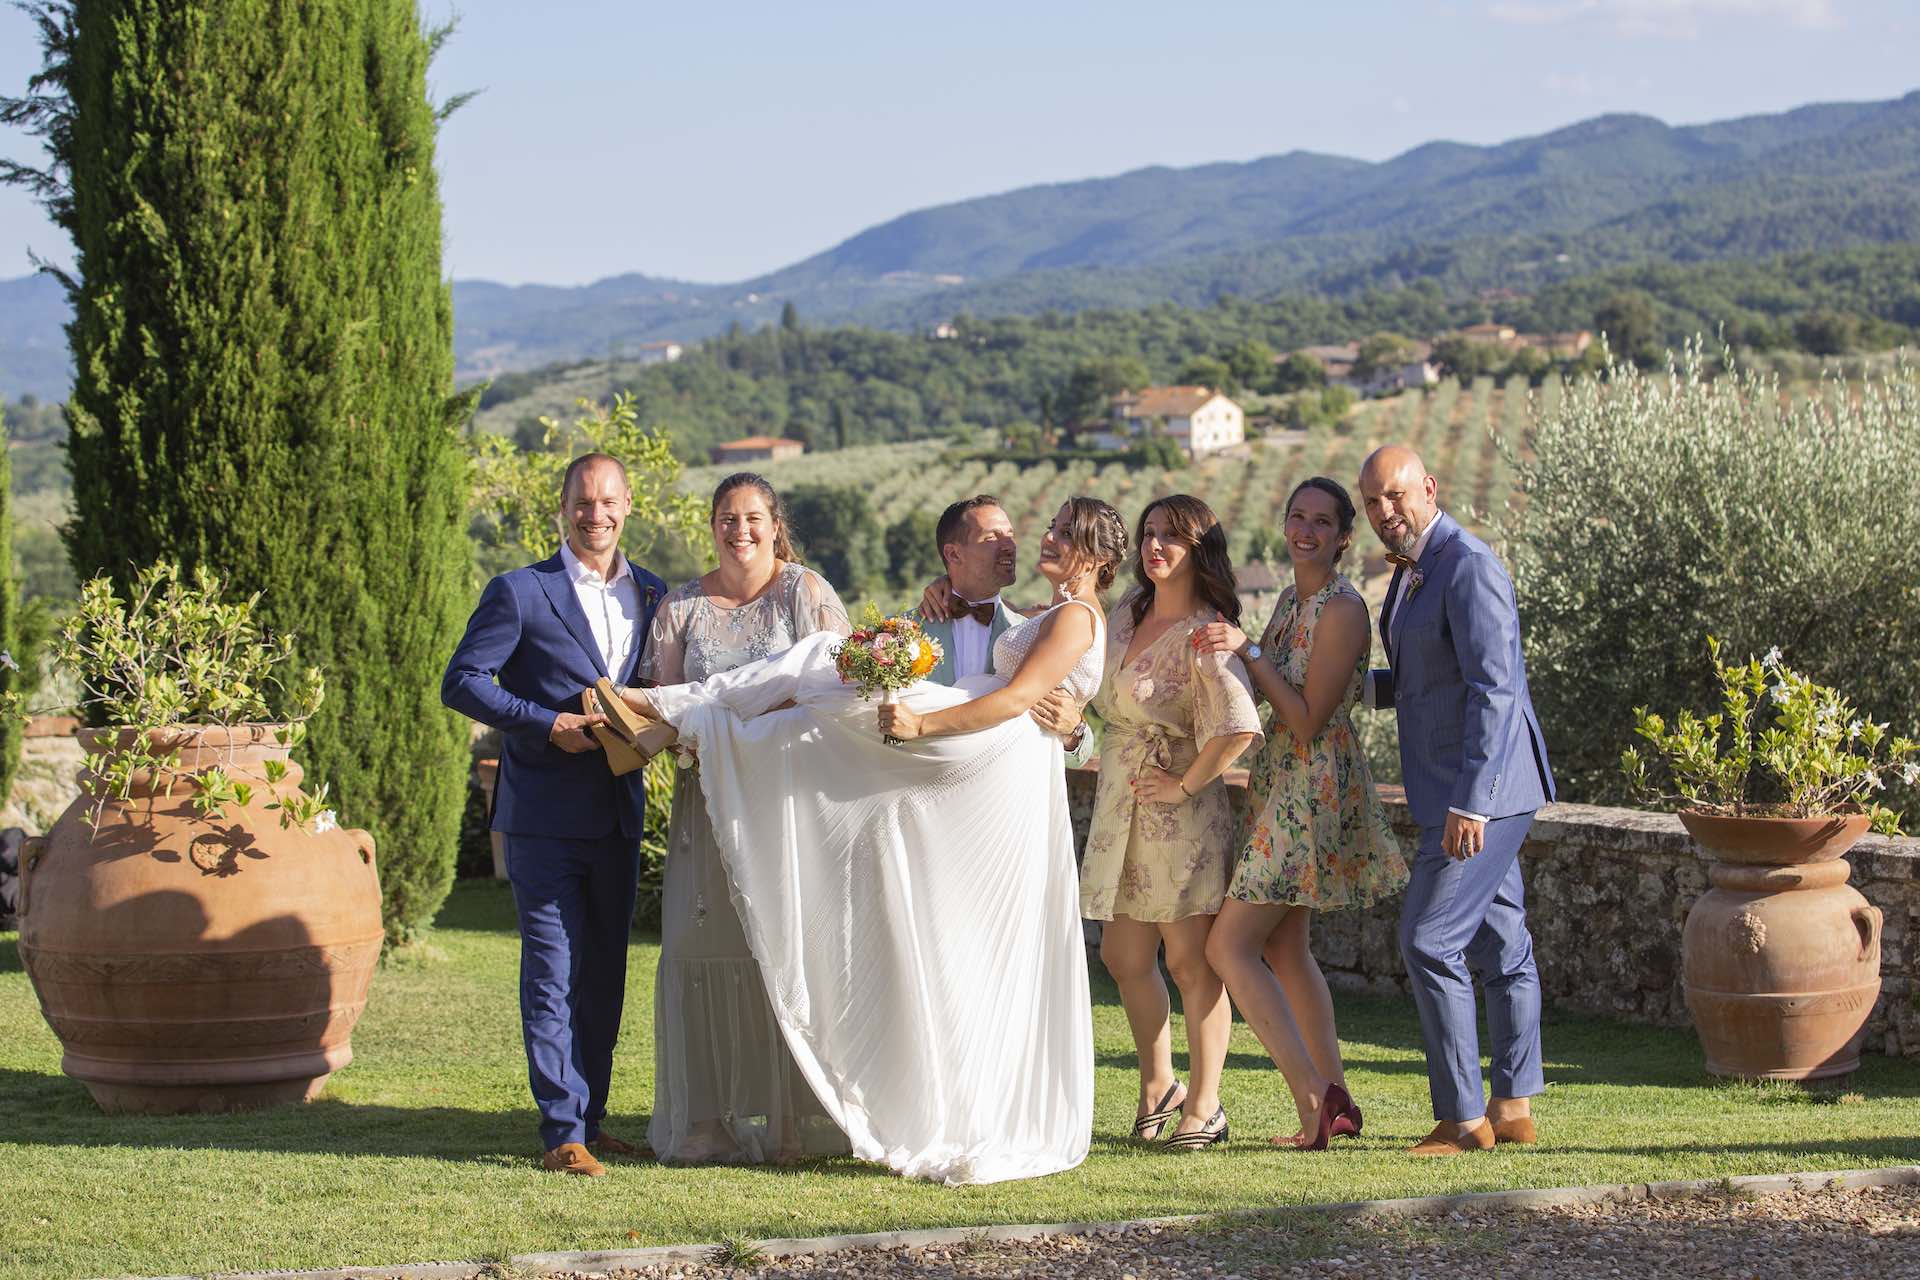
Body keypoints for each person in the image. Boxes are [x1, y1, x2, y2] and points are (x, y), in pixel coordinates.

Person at [607, 498, 1129, 1185]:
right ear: (953, 555)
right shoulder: (1025, 612)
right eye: (1037, 529)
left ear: (1094, 554)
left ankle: (672, 714)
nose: (1040, 538)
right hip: (966, 765)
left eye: (1062, 532)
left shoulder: (1069, 615)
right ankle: (676, 715)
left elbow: (1020, 698)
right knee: (821, 681)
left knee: (820, 680)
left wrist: (924, 727)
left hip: (977, 752)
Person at [440, 453, 668, 1178]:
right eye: (581, 502)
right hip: (540, 815)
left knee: (603, 977)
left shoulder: (657, 596)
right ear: (561, 507)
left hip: (618, 814)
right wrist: (543, 723)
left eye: (606, 501)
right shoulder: (518, 591)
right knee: (551, 974)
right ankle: (561, 1131)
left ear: (629, 504)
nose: (593, 514)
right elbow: (462, 681)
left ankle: (592, 1122)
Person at [638, 472, 854, 1165]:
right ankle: (707, 1119)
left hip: (790, 804)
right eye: (727, 518)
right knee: (701, 951)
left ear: (774, 522)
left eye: (753, 517)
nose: (741, 530)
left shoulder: (806, 593)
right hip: (705, 807)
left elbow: (840, 692)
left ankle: (795, 1122)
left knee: (786, 950)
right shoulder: (679, 607)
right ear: (711, 525)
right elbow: (662, 707)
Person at [1191, 477, 1407, 1150]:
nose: (1305, 529)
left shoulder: (1342, 610)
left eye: (1321, 521)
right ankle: (1336, 1098)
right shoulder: (1291, 600)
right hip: (1279, 780)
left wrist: (1250, 651)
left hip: (1309, 788)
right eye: (1297, 517)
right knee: (1285, 946)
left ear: (1345, 537)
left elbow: (1310, 719)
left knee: (1228, 946)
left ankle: (1314, 1101)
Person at [1356, 445, 1555, 1157]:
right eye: (1373, 502)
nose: (1386, 511)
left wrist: (1472, 803)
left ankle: (1462, 1120)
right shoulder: (1411, 574)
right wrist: (1332, 687)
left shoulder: (1468, 564)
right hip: (1456, 788)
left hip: (1484, 794)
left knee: (1427, 938)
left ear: (1429, 488)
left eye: (1396, 495)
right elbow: (1422, 683)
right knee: (1503, 942)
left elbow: (1495, 691)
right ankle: (1512, 1106)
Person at [1080, 494, 1262, 1152]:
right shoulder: (1127, 613)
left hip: (1179, 816)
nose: (1155, 546)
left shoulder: (1206, 630)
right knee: (1122, 955)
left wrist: (1185, 782)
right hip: (1118, 810)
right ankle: (1158, 1087)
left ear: (1199, 549)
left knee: (1189, 962)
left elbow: (1240, 725)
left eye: (1172, 538)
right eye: (1150, 534)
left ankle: (1207, 1104)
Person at [910, 493, 1092, 763]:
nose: (1009, 545)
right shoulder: (902, 635)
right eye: (992, 538)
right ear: (953, 554)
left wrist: (1073, 731)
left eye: (1010, 535)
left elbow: (1080, 757)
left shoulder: (1032, 635)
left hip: (1003, 792)